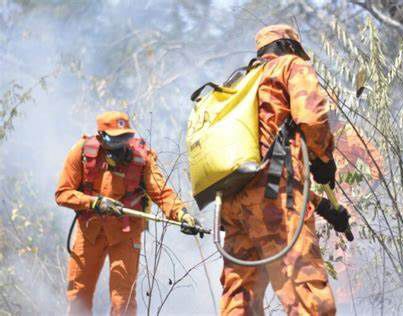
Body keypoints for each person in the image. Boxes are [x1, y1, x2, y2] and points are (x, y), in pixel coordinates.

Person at [219, 24, 350, 315]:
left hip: (234, 208)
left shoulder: (240, 83)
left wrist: (324, 208)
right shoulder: (291, 66)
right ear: (289, 47)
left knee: (240, 301)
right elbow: (312, 119)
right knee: (311, 300)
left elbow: (262, 174)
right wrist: (324, 161)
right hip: (275, 204)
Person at [55, 111, 201, 315]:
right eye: (114, 139)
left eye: (124, 137)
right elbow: (62, 194)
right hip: (90, 232)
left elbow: (161, 190)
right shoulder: (81, 152)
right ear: (100, 137)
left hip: (126, 232)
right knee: (79, 294)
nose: (120, 143)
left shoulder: (142, 157)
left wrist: (181, 214)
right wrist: (95, 203)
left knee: (123, 299)